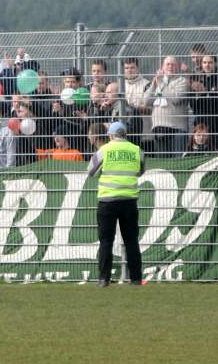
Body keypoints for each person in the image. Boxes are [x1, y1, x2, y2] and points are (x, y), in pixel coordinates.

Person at [87, 121, 145, 287]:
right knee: (131, 241)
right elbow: (141, 171)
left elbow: (90, 171)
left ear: (111, 136)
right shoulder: (136, 150)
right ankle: (136, 279)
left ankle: (104, 279)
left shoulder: (104, 150)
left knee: (106, 241)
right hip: (129, 200)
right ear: (125, 134)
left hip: (107, 200)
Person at [144, 56, 189, 157]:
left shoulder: (182, 81)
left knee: (177, 162)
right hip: (159, 129)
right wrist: (154, 84)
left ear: (178, 67)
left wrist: (161, 84)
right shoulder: (158, 81)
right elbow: (146, 101)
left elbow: (175, 98)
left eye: (173, 65)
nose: (170, 67)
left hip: (177, 129)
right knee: (163, 163)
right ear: (162, 67)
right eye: (167, 64)